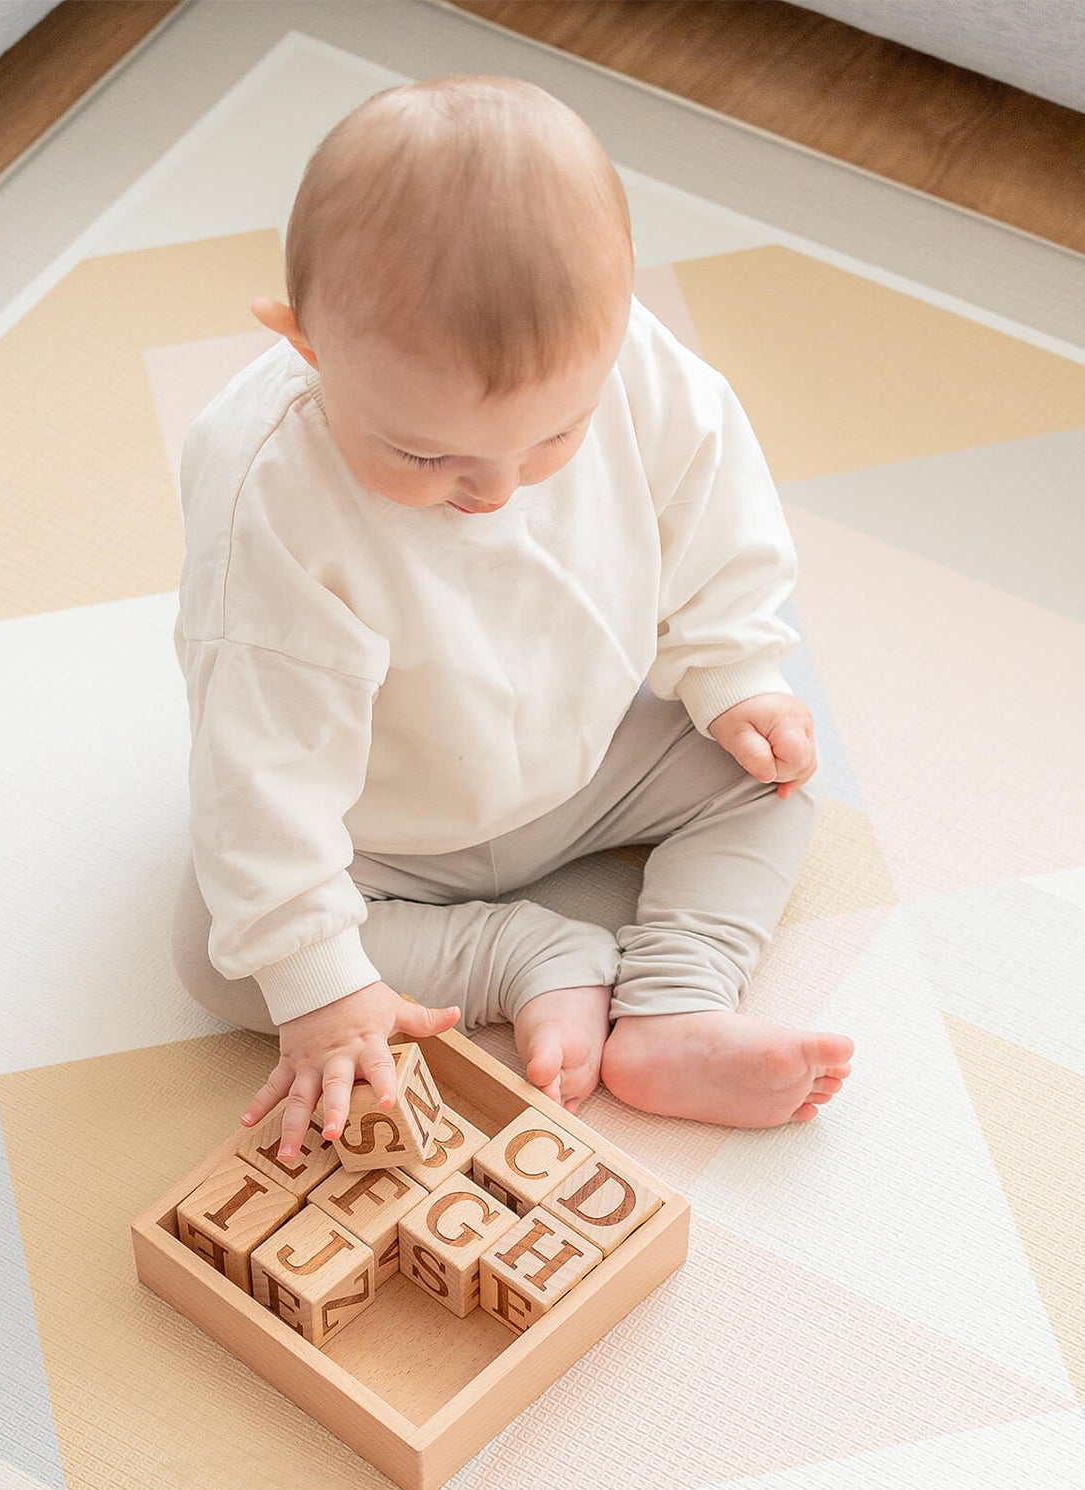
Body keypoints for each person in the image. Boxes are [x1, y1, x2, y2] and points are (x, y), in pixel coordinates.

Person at [169, 75, 853, 1163]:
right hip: (381, 834)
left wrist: (734, 670)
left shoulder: (630, 367)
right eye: (425, 455)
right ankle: (529, 957)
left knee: (767, 773)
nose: (494, 492)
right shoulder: (272, 505)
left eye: (550, 442)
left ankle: (673, 1004)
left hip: (581, 760)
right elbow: (265, 764)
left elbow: (711, 510)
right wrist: (323, 991)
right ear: (305, 343)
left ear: (621, 307)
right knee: (230, 956)